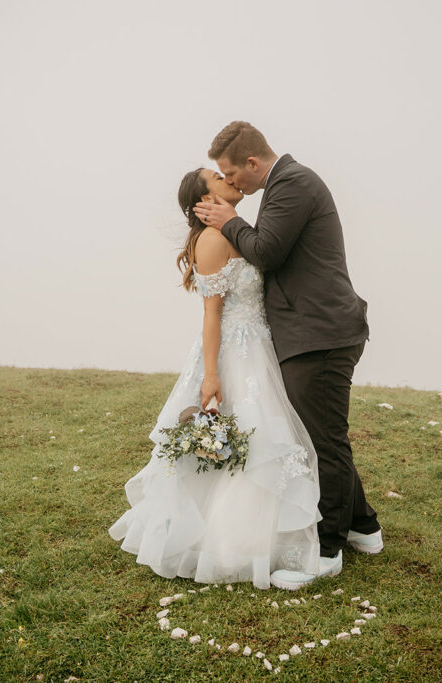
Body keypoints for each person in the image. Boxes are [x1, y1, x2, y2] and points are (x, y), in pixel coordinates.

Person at [108, 168, 322, 590]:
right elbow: (212, 314)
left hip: (259, 349)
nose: (230, 178)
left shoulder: (237, 231)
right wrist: (210, 377)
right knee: (244, 442)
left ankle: (261, 541)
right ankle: (224, 546)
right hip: (231, 354)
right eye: (218, 177)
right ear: (204, 200)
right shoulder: (211, 240)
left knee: (259, 441)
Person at [193, 122, 381, 590]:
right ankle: (364, 526)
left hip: (321, 334)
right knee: (319, 432)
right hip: (307, 334)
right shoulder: (282, 186)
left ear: (253, 164)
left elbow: (268, 250)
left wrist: (226, 221)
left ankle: (328, 550)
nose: (232, 182)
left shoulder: (293, 184)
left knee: (323, 441)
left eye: (232, 172)